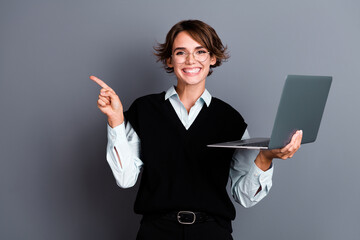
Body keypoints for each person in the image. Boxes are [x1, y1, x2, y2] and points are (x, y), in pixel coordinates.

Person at [91, 20, 302, 240]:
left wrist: (266, 158)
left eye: (200, 51)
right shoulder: (144, 110)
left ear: (212, 58)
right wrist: (115, 119)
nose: (191, 60)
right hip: (157, 232)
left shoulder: (230, 118)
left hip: (212, 232)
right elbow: (125, 179)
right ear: (169, 60)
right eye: (181, 52)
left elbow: (245, 197)